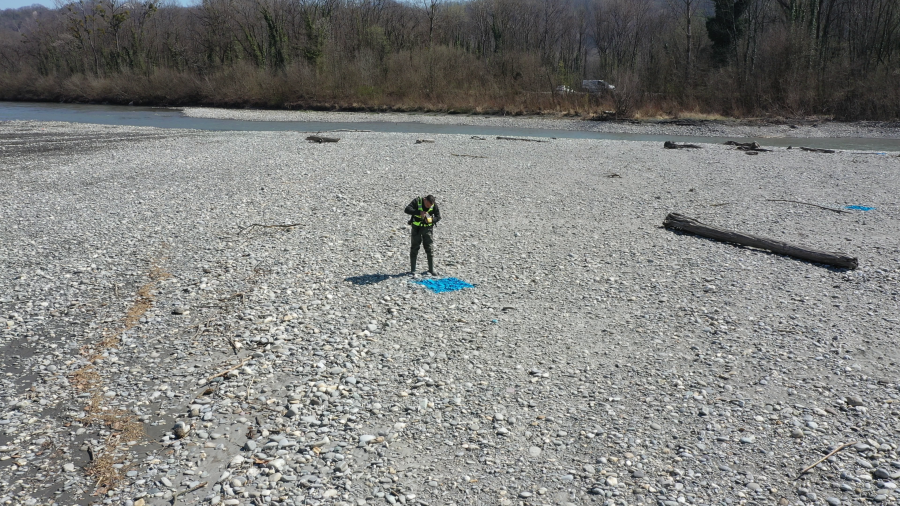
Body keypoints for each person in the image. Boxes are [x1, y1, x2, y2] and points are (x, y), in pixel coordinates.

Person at [404, 194, 441, 276]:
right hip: (416, 228)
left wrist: (431, 220)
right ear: (425, 200)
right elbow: (407, 209)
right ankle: (413, 270)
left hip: (428, 229)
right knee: (414, 247)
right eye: (427, 205)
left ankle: (431, 269)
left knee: (429, 248)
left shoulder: (434, 205)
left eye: (430, 205)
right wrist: (419, 212)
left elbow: (438, 217)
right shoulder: (417, 201)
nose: (428, 207)